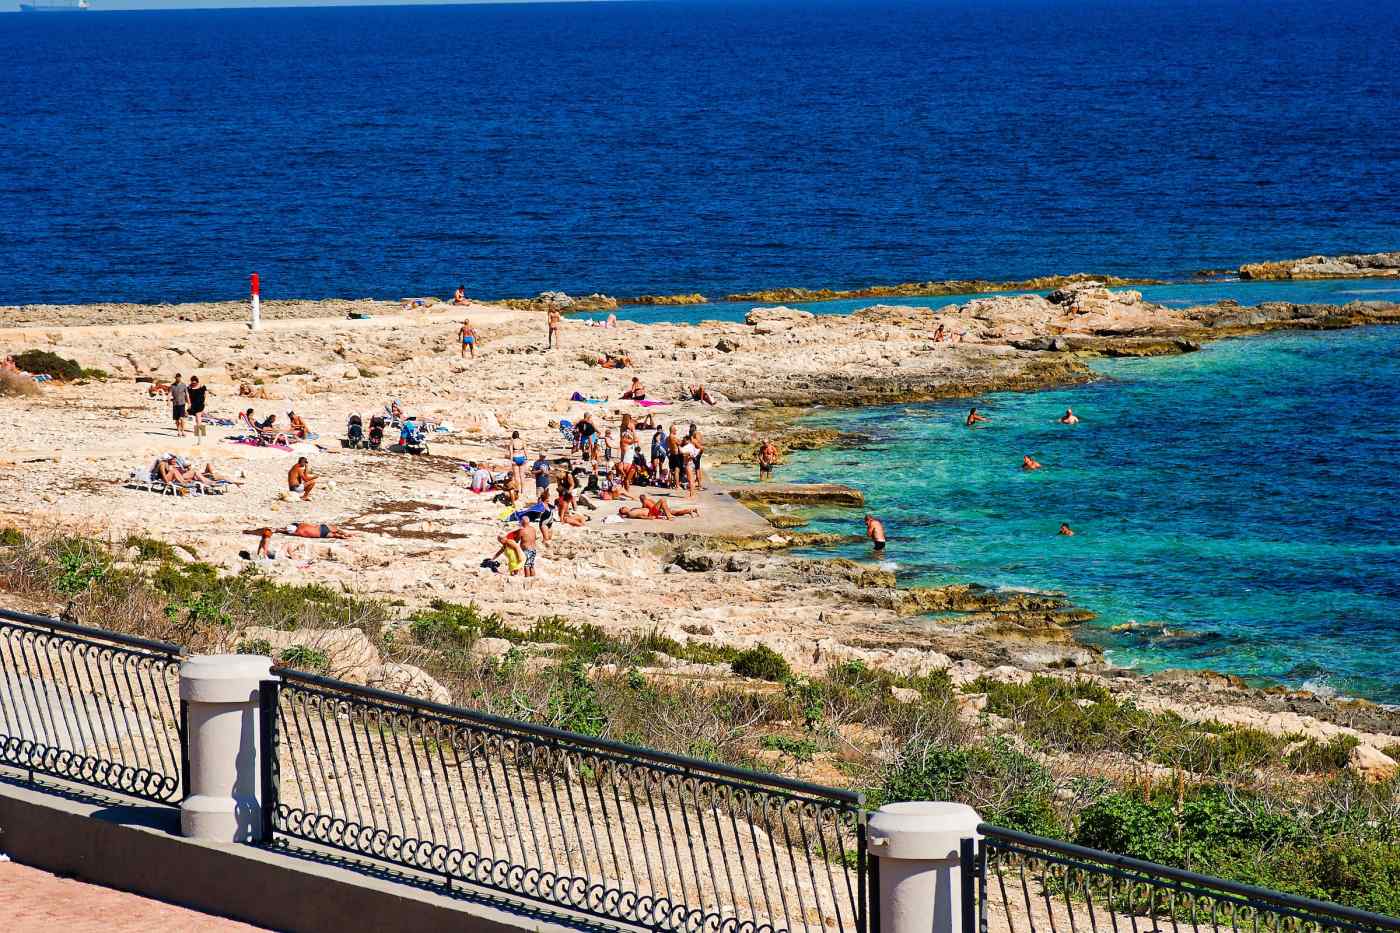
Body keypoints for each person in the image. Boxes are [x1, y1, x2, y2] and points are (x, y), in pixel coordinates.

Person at [618, 494, 700, 520]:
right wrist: (649, 518)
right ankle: (669, 516)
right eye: (622, 508)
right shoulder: (631, 513)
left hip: (654, 511)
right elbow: (640, 516)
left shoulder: (632, 510)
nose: (623, 507)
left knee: (676, 513)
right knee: (662, 500)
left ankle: (690, 511)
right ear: (623, 511)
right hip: (652, 512)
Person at [187, 376, 208, 441]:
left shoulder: (202, 386)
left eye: (195, 383)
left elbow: (205, 394)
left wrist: (205, 401)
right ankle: (200, 431)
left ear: (197, 382)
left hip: (200, 404)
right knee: (197, 419)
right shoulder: (189, 387)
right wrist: (188, 403)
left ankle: (200, 432)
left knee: (198, 417)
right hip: (193, 404)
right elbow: (187, 395)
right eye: (192, 383)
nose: (194, 384)